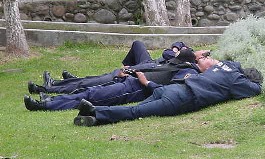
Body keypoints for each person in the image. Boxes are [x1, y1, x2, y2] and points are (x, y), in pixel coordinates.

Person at [72, 56, 263, 127]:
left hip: (171, 89)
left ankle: (93, 118)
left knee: (137, 109)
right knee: (135, 112)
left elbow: (232, 63)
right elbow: (256, 90)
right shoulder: (236, 80)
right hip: (180, 99)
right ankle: (95, 109)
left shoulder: (224, 66)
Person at [24, 49, 203, 111]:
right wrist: (132, 71)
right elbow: (166, 56)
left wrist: (145, 82)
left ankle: (45, 105)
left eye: (205, 57)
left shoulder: (188, 72)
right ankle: (50, 99)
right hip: (128, 81)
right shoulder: (178, 63)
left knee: (91, 95)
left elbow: (170, 90)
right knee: (87, 91)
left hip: (134, 89)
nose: (204, 56)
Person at [27, 40, 192, 94]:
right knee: (138, 45)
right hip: (149, 64)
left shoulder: (192, 64)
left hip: (145, 72)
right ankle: (70, 82)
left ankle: (50, 87)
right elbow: (170, 50)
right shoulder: (191, 55)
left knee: (100, 81)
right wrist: (177, 48)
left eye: (205, 55)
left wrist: (176, 52)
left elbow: (167, 54)